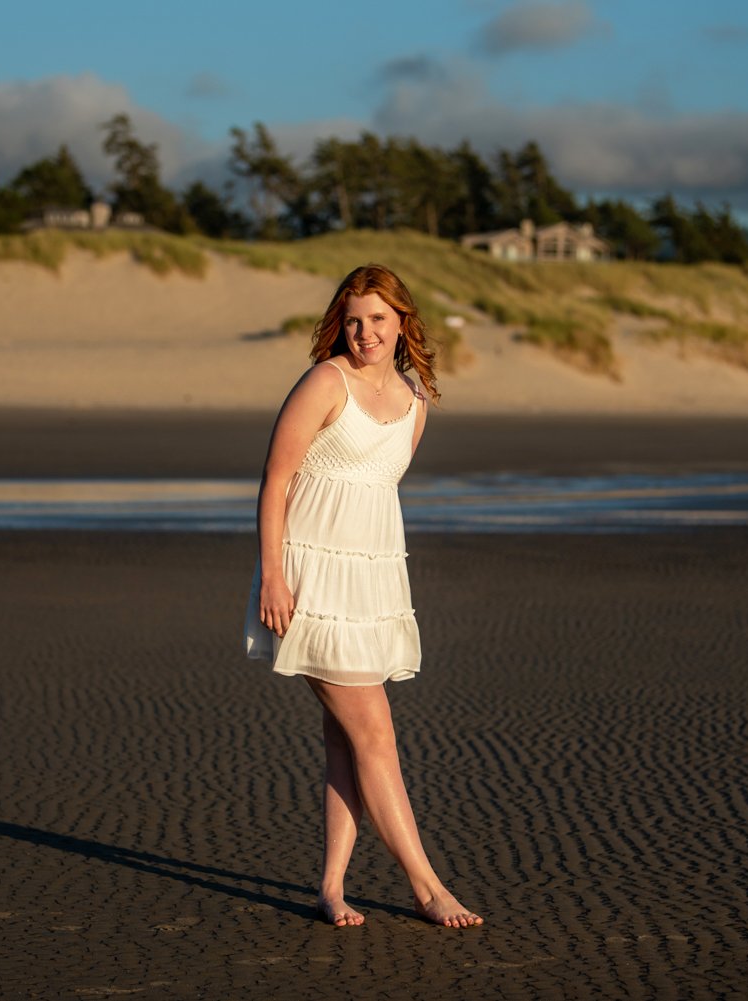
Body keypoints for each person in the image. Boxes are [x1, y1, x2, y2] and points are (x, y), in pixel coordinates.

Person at [245, 264, 483, 930]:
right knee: (375, 733)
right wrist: (272, 574)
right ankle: (428, 886)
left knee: (345, 741)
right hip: (310, 583)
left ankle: (331, 887)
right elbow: (277, 478)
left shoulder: (416, 401)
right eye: (353, 319)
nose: (364, 332)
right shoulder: (325, 381)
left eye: (378, 318)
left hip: (370, 585)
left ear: (402, 321)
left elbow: (376, 494)